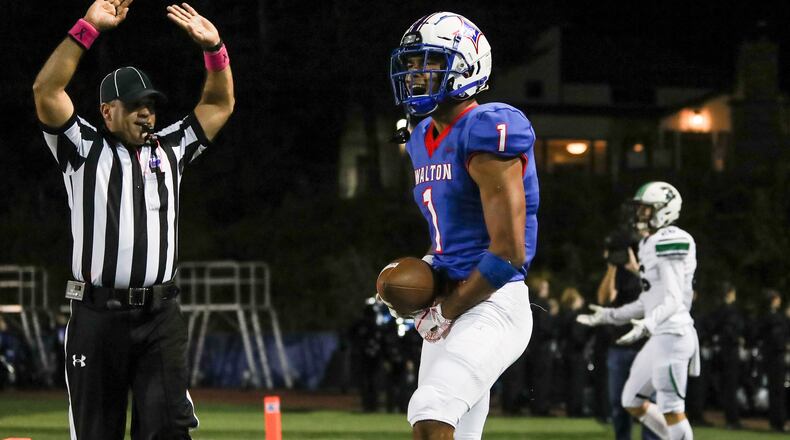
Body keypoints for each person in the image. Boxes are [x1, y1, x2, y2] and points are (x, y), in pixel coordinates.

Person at [32, 1, 234, 438]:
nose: (147, 113)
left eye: (151, 105)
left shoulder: (171, 148)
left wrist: (215, 50)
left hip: (160, 316)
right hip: (97, 316)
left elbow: (219, 103)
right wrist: (86, 28)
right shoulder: (83, 148)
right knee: (96, 432)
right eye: (135, 105)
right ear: (107, 111)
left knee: (166, 430)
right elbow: (46, 91)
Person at [387, 11, 539, 439]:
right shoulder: (421, 138)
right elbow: (448, 234)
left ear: (467, 66)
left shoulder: (487, 127)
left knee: (433, 409)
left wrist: (447, 309)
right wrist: (425, 273)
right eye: (412, 63)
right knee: (439, 426)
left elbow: (509, 252)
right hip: (449, 298)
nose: (415, 74)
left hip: (492, 300)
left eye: (428, 62)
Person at [577, 182, 699, 440]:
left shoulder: (672, 239)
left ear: (664, 210)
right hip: (661, 336)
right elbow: (647, 300)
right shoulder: (648, 243)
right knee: (631, 400)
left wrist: (648, 324)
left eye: (645, 210)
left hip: (674, 335)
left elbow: (674, 298)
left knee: (672, 409)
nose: (639, 215)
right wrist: (609, 315)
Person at [597, 229, 660, 440]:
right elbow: (605, 299)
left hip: (647, 346)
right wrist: (612, 268)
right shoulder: (618, 272)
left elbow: (659, 295)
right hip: (620, 346)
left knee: (650, 403)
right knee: (618, 403)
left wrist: (636, 269)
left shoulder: (652, 269)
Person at [709, 281, 744, 429]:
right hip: (731, 353)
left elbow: (715, 329)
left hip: (723, 353)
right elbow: (731, 331)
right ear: (730, 293)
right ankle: (732, 420)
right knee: (731, 386)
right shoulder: (731, 312)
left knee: (726, 386)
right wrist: (738, 339)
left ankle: (730, 418)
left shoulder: (719, 310)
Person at [759, 289, 788, 432]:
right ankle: (778, 421)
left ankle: (776, 421)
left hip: (772, 358)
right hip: (775, 358)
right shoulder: (774, 318)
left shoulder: (770, 317)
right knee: (777, 391)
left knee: (776, 391)